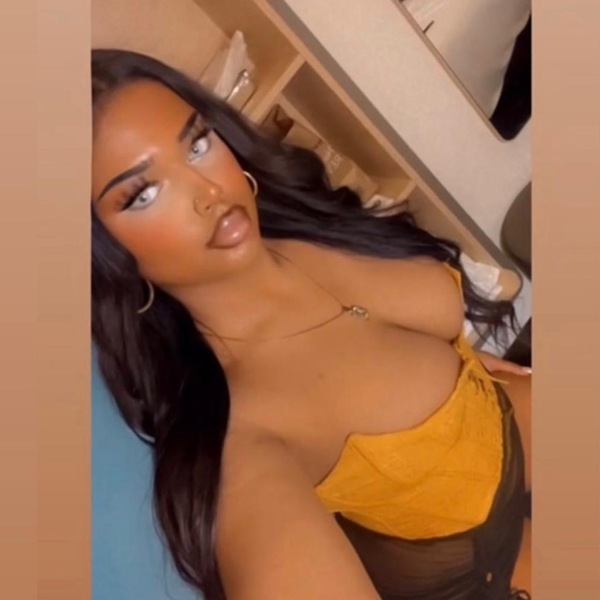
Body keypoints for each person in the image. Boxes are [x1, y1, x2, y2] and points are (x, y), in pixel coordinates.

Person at [91, 49, 532, 600]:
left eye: (198, 144)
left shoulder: (298, 220)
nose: (210, 193)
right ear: (103, 258)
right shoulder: (243, 444)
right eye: (143, 194)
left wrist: (446, 362)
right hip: (486, 565)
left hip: (506, 422)